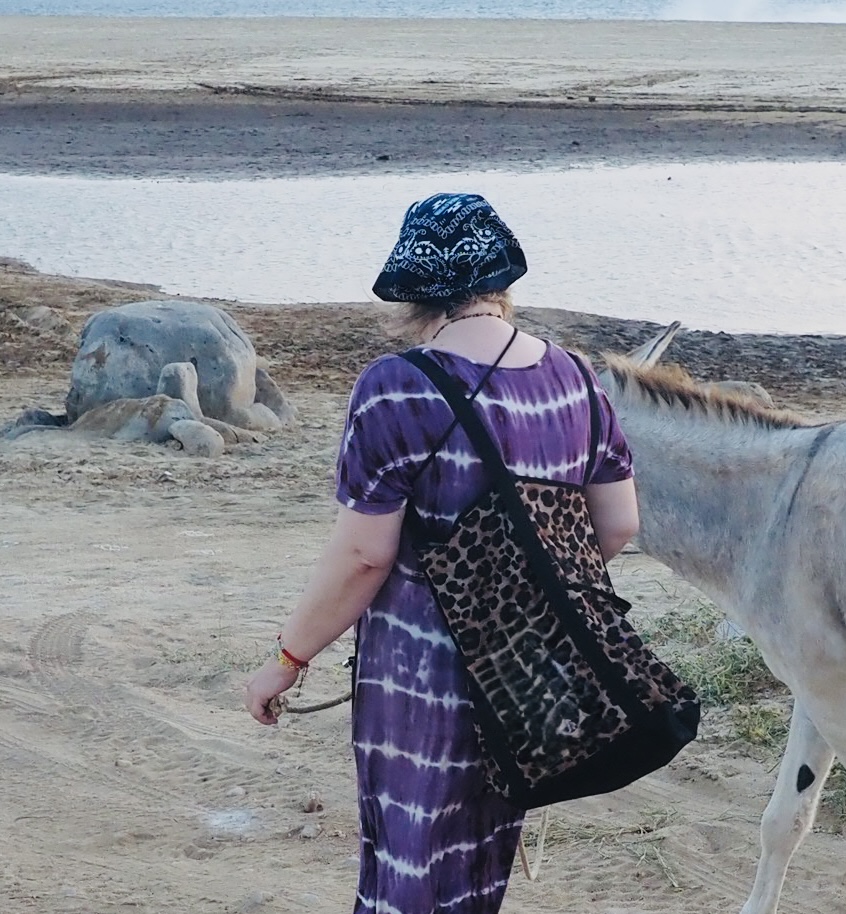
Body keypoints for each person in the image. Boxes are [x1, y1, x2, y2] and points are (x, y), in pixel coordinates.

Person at [244, 192, 640, 913]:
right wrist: (517, 593)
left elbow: (364, 556)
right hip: (522, 670)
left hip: (419, 676)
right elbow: (615, 525)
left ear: (415, 295)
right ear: (501, 286)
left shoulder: (396, 387)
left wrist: (286, 661)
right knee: (478, 867)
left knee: (410, 866)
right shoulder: (578, 380)